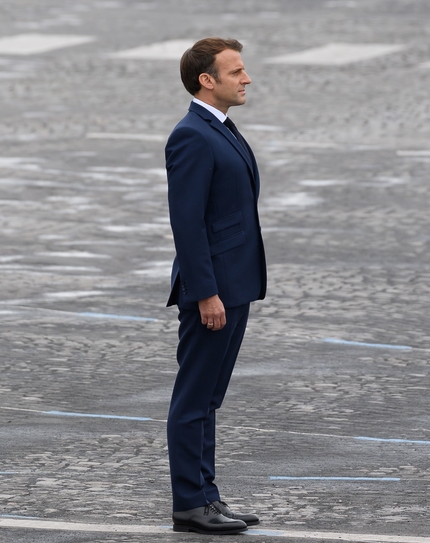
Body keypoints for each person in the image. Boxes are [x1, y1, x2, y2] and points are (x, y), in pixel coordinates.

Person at [164, 37, 267, 535]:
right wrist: (206, 292)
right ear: (208, 80)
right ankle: (189, 501)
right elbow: (187, 224)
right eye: (236, 71)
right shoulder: (191, 135)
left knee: (209, 399)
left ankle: (207, 496)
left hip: (234, 284)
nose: (246, 79)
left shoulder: (219, 128)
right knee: (193, 398)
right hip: (213, 291)